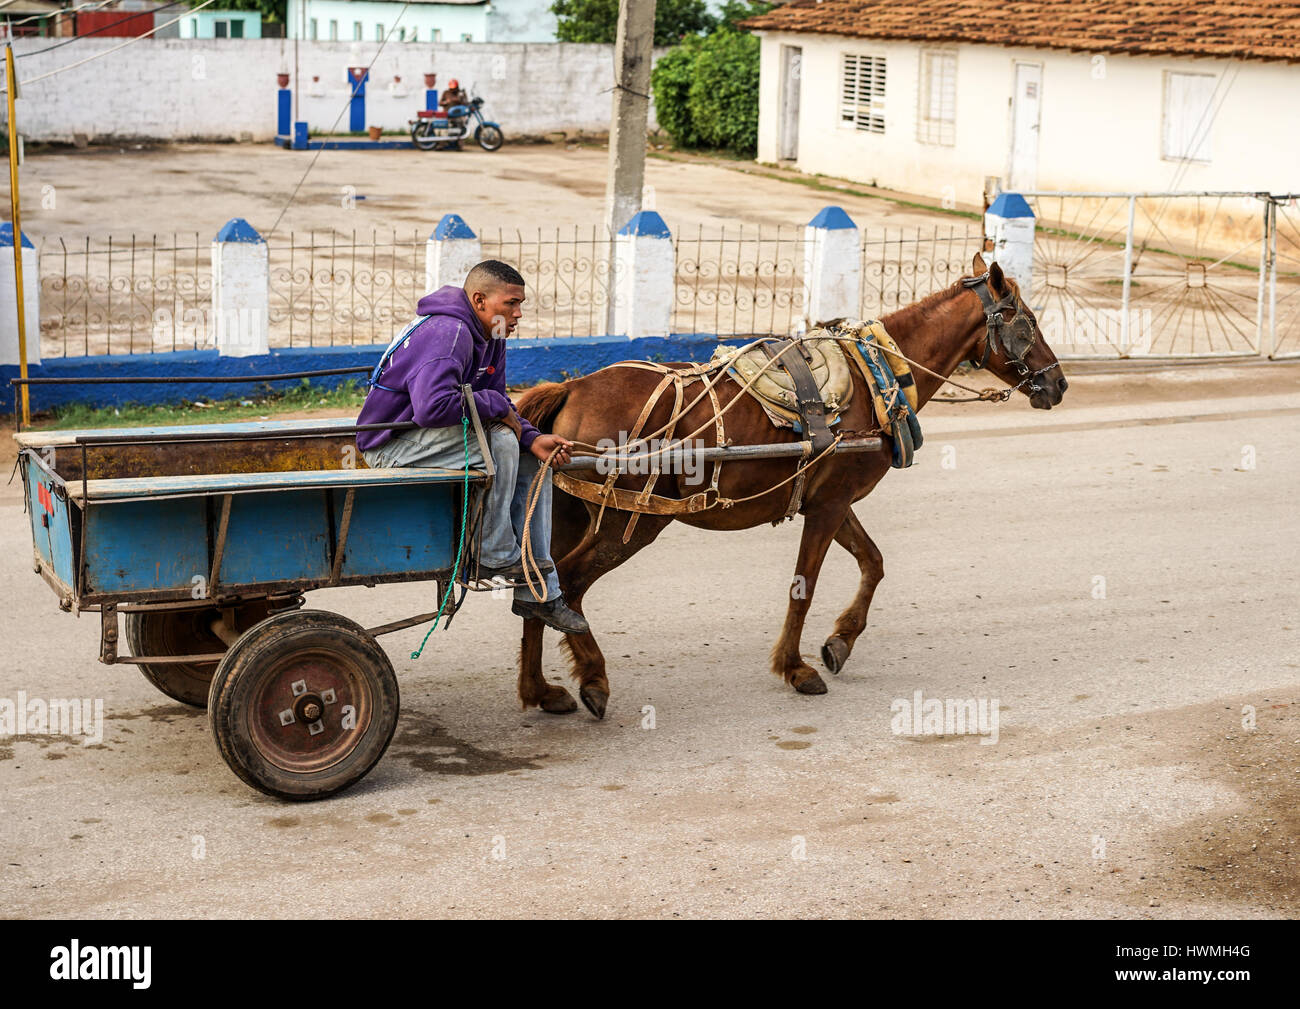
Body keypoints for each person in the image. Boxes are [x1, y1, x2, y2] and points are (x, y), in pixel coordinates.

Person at [355, 260, 589, 635]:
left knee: (532, 459)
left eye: (521, 304)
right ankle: (493, 554)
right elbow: (433, 408)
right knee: (498, 440)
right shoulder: (450, 333)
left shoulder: (490, 335)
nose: (518, 314)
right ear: (480, 300)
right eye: (510, 304)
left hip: (431, 439)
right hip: (393, 444)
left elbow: (497, 400)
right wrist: (500, 413)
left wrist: (533, 437)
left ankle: (539, 593)